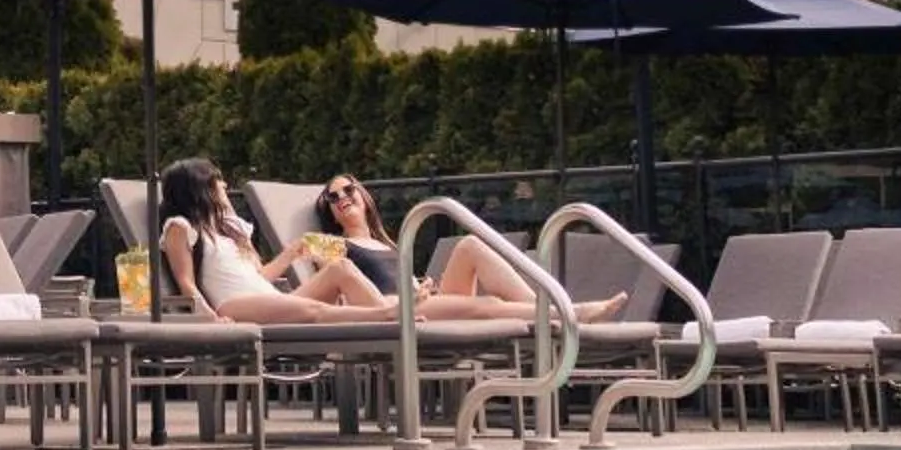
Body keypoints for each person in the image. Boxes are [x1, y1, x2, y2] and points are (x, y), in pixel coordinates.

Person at [302, 169, 629, 323]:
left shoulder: (385, 242)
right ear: (329, 210)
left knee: (470, 245)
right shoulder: (333, 244)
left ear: (363, 195)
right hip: (396, 308)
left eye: (349, 189)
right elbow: (336, 283)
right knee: (489, 307)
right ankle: (570, 313)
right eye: (333, 197)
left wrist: (420, 284)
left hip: (420, 298)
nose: (343, 198)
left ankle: (547, 312)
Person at [158, 157, 393, 324]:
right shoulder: (180, 227)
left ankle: (389, 316)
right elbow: (186, 283)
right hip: (235, 305)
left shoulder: (229, 228)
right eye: (217, 181)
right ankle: (386, 316)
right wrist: (211, 318)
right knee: (316, 311)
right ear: (200, 188)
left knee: (341, 267)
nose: (224, 185)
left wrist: (292, 252)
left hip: (271, 299)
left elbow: (259, 275)